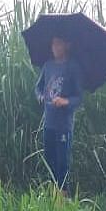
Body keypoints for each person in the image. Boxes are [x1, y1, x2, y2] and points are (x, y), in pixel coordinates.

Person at [34, 36, 83, 191]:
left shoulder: (73, 67)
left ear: (66, 45)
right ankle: (53, 192)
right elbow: (38, 87)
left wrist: (66, 101)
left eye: (58, 44)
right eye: (53, 44)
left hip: (64, 124)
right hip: (48, 122)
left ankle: (63, 193)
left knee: (62, 161)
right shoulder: (47, 66)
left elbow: (79, 97)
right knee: (50, 160)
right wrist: (41, 97)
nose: (55, 47)